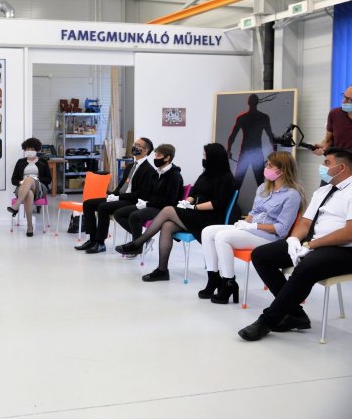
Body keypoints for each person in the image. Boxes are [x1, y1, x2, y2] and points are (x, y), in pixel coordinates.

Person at [239, 148, 352, 341]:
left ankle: (267, 321)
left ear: (341, 167)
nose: (322, 167)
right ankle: (295, 314)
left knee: (307, 266)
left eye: (326, 163)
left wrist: (312, 245)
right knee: (261, 255)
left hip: (343, 249)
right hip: (315, 243)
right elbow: (305, 223)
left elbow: (348, 233)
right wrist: (293, 239)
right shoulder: (323, 190)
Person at [116, 143, 239, 282]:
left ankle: (138, 243)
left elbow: (218, 204)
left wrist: (194, 207)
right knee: (167, 226)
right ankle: (162, 270)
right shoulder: (206, 175)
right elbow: (194, 193)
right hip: (196, 214)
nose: (203, 158)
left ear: (214, 157)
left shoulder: (226, 178)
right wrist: (187, 202)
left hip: (210, 218)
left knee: (168, 209)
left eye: (205, 155)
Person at [199, 151, 304, 304]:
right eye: (267, 164)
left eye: (270, 166)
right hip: (251, 229)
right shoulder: (263, 187)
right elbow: (254, 212)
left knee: (222, 237)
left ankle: (228, 283)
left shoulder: (292, 195)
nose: (266, 168)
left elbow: (282, 229)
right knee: (207, 231)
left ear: (282, 170)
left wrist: (253, 225)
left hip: (270, 237)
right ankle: (213, 278)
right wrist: (243, 224)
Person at [75, 137, 156, 254]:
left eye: (138, 145)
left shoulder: (149, 170)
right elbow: (122, 186)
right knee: (88, 204)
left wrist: (118, 197)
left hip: (132, 201)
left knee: (103, 207)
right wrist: (112, 195)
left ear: (145, 150)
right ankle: (92, 240)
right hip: (121, 198)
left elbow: (141, 194)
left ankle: (100, 243)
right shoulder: (130, 166)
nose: (134, 147)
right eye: (135, 144)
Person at [112, 144, 183, 254]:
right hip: (151, 204)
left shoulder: (174, 176)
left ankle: (137, 247)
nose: (155, 158)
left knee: (135, 216)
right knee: (119, 213)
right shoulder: (156, 173)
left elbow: (169, 201)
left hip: (163, 209)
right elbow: (150, 192)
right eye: (155, 155)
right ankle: (143, 240)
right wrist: (145, 201)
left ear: (167, 158)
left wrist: (148, 204)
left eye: (158, 156)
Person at [6, 138, 52, 237]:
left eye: (32, 149)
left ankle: (16, 206)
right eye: (27, 149)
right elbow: (13, 180)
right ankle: (29, 227)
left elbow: (49, 179)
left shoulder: (43, 162)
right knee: (29, 194)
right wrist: (21, 182)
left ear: (37, 150)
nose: (29, 151)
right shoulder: (20, 162)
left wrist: (36, 179)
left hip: (39, 188)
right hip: (23, 189)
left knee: (30, 179)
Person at [314, 84, 352, 155]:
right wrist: (323, 148)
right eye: (344, 97)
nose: (344, 101)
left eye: (349, 100)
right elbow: (328, 141)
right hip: (338, 159)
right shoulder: (335, 114)